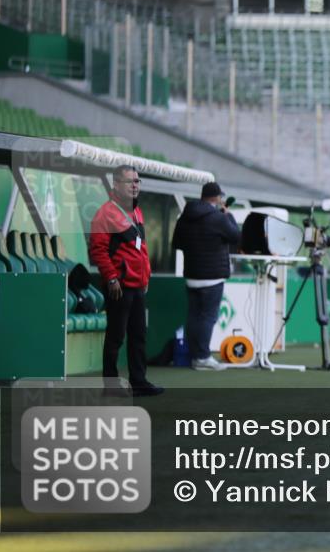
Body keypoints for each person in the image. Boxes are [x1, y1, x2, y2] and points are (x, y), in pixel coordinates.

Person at [89, 165, 163, 396]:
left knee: (138, 336)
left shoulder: (136, 212)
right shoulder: (105, 213)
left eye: (137, 181)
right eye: (129, 181)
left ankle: (139, 382)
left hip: (138, 285)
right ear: (116, 185)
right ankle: (110, 387)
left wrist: (146, 275)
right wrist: (111, 278)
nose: (134, 185)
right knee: (116, 337)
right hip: (119, 286)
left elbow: (141, 250)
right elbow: (98, 251)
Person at [172, 181, 240, 371]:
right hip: (213, 276)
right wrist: (229, 216)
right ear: (217, 198)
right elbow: (236, 236)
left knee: (194, 316)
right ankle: (202, 357)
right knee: (208, 317)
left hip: (192, 274)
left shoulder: (185, 216)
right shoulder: (218, 217)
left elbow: (176, 242)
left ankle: (195, 356)